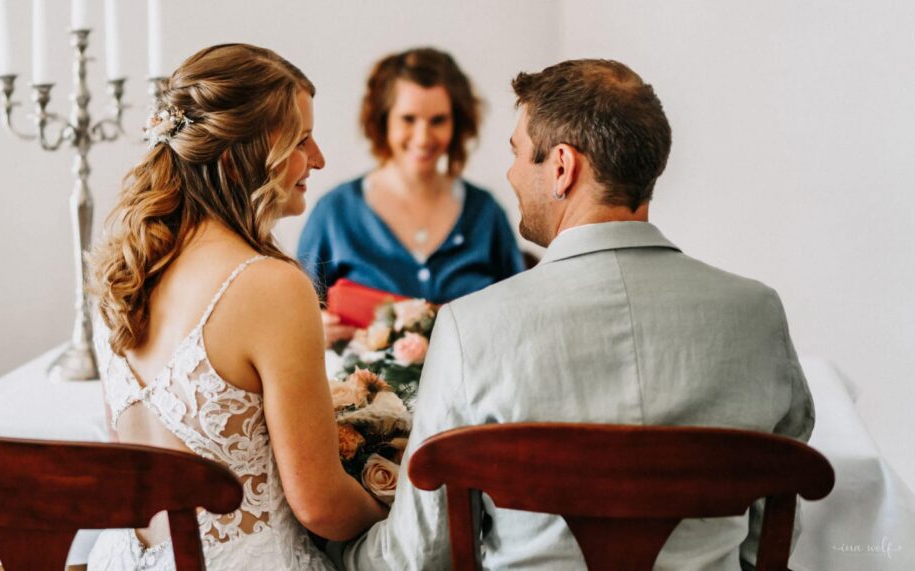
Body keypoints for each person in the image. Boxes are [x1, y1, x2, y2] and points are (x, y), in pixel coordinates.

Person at [336, 59, 814, 570]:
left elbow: (420, 555)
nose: (511, 172)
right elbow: (770, 532)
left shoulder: (472, 327)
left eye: (517, 152)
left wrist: (336, 553)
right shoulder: (758, 314)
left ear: (562, 167)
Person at [86, 44, 386, 570]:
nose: (318, 159)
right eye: (300, 141)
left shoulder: (123, 271)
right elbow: (320, 505)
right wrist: (395, 507)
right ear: (236, 157)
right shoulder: (270, 286)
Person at [298, 47, 523, 345]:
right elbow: (295, 319)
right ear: (382, 121)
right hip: (363, 389)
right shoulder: (334, 213)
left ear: (457, 123)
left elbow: (520, 316)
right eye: (408, 119)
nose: (423, 137)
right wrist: (314, 330)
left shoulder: (486, 213)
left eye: (438, 120)